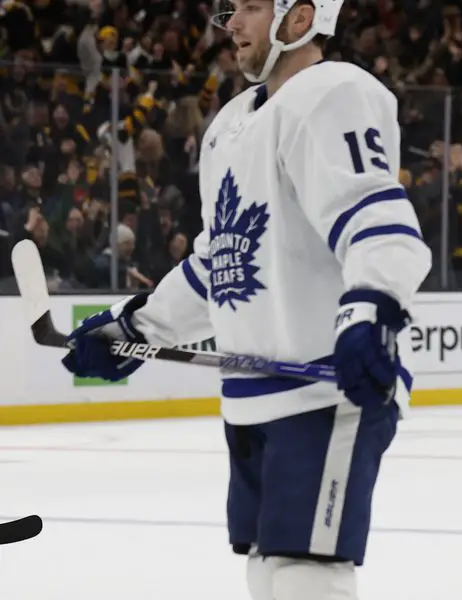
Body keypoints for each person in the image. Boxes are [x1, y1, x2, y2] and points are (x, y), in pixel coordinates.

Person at [58, 1, 431, 599]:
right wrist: (134, 329)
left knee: (306, 574)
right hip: (252, 399)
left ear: (301, 18)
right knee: (266, 570)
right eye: (230, 9)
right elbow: (221, 263)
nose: (231, 24)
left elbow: (376, 220)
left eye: (252, 7)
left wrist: (372, 308)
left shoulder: (332, 94)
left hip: (325, 387)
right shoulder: (230, 124)